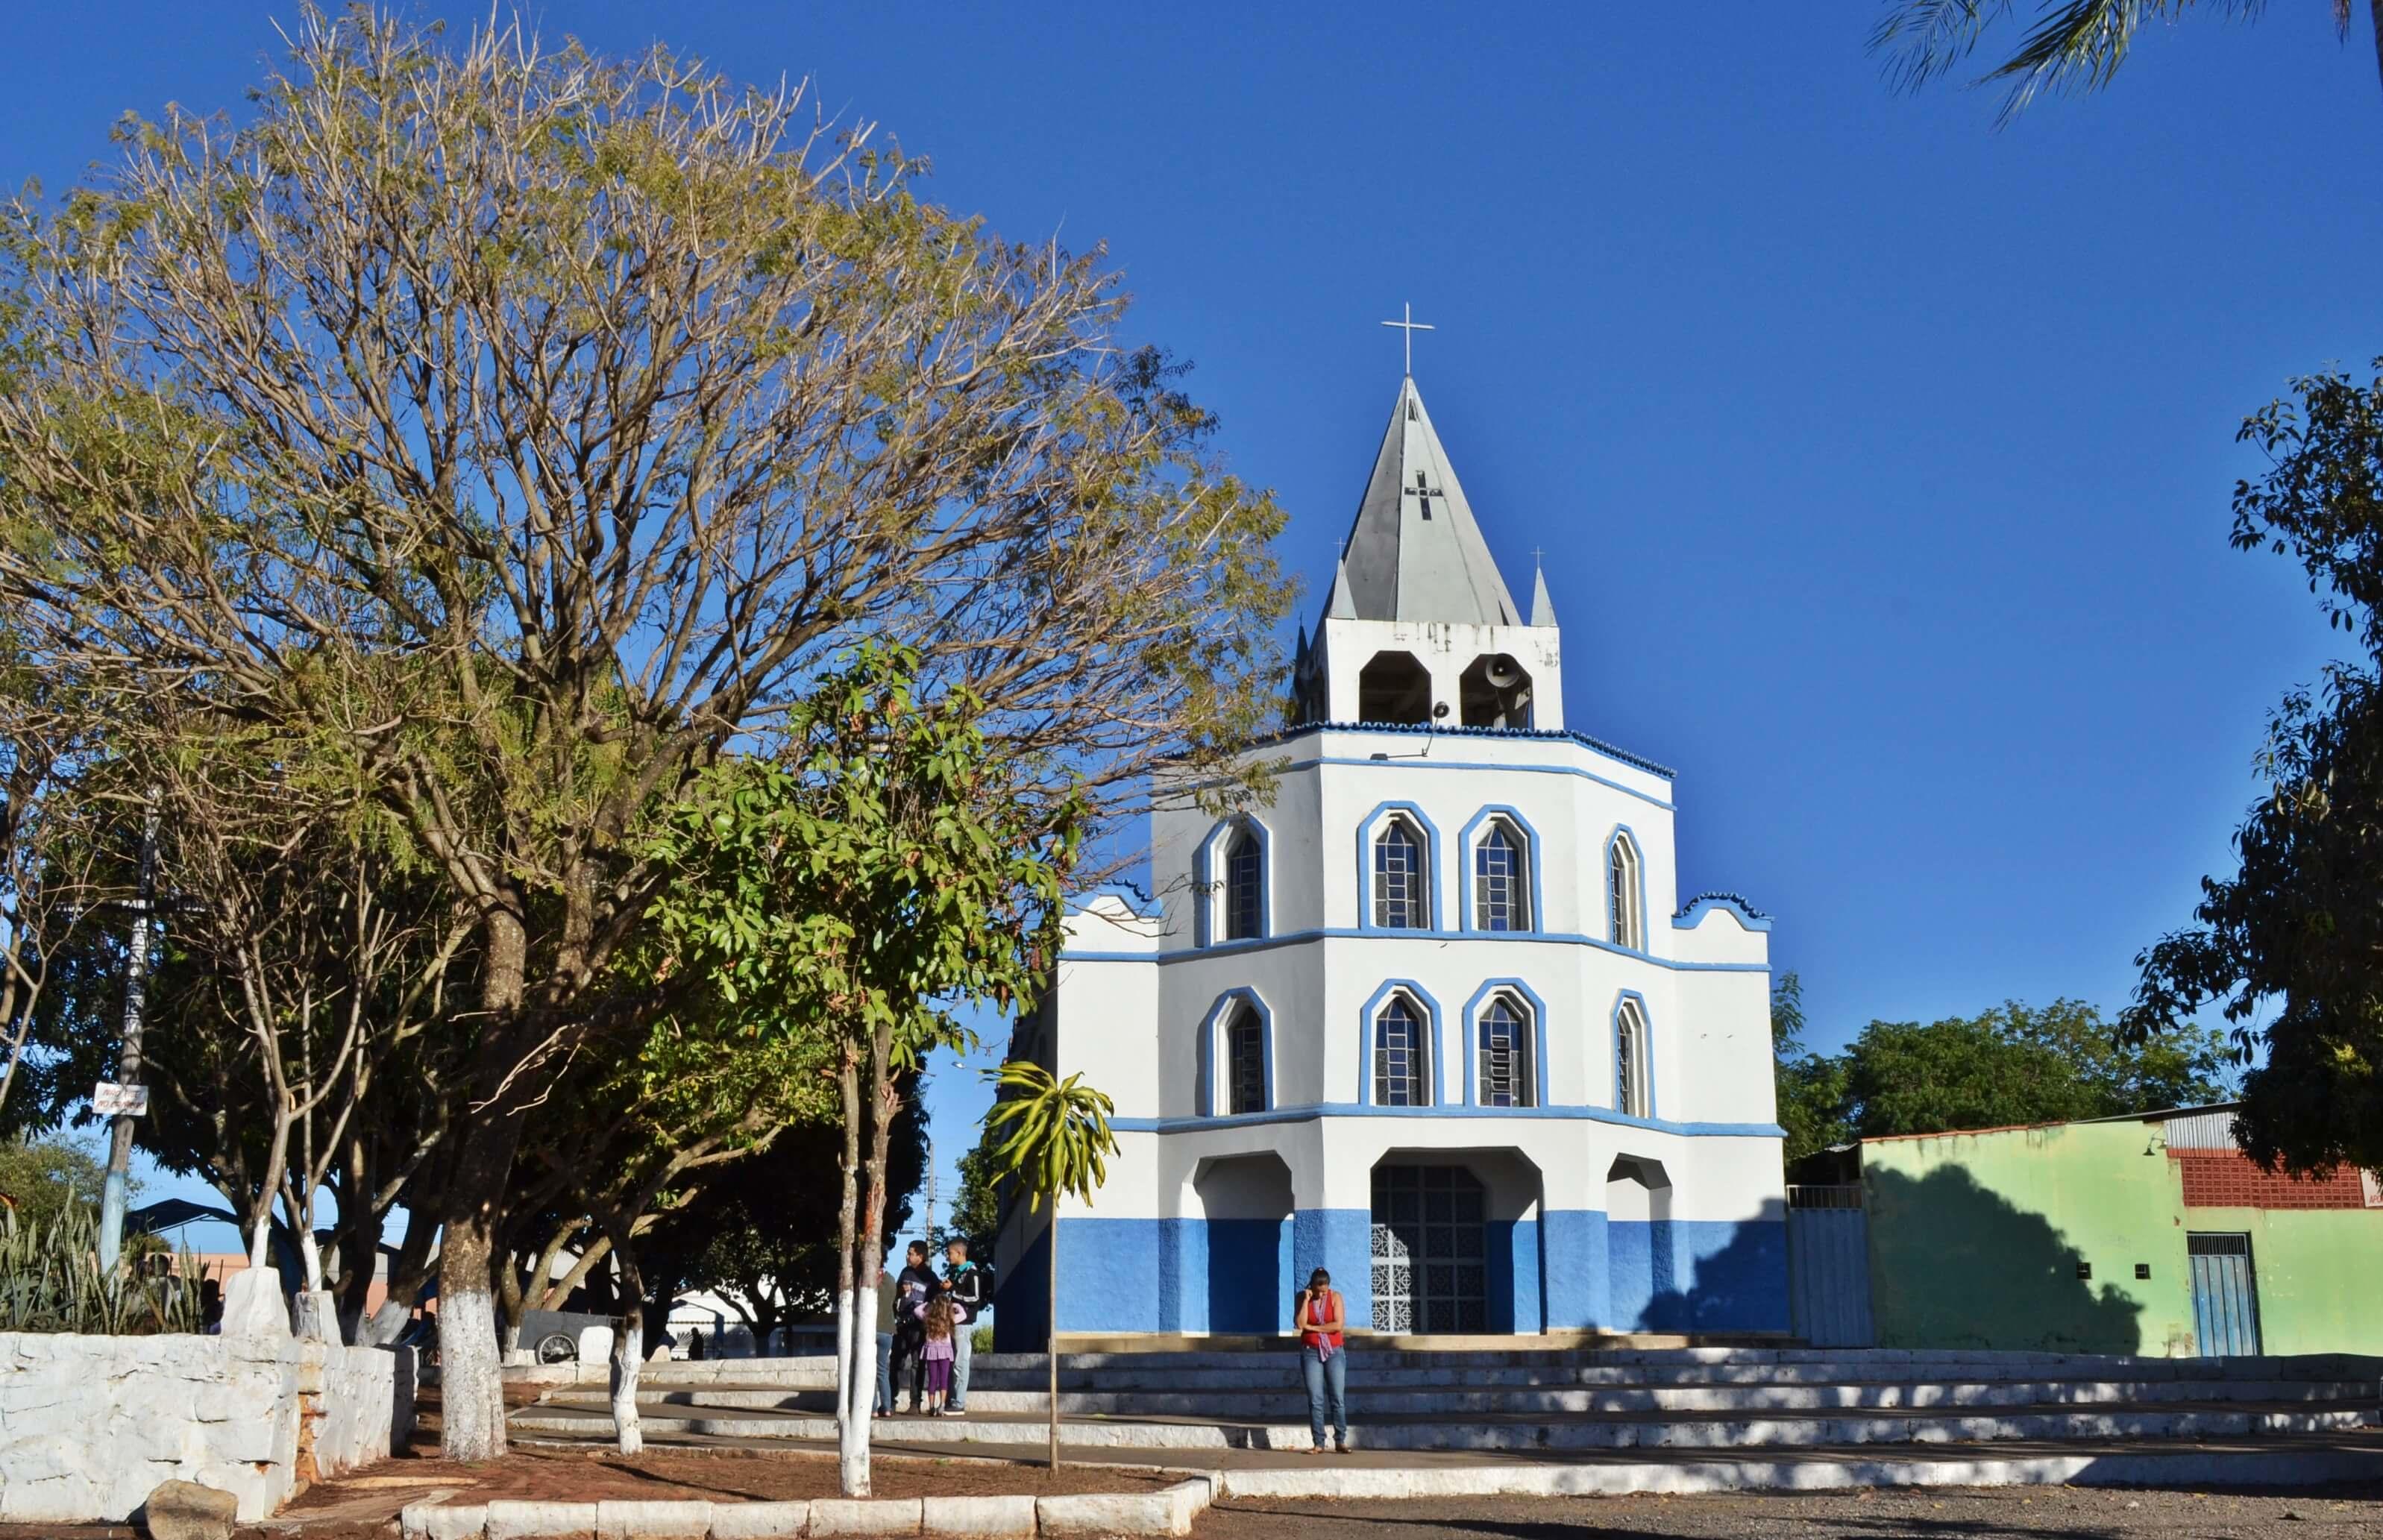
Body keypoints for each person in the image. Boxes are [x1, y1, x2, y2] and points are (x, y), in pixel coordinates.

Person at [1293, 1267, 1348, 1454]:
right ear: (1312, 1286)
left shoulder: (1336, 1297)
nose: (1323, 1294)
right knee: (1315, 1399)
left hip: (1334, 1351)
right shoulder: (1303, 1297)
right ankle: (1319, 1442)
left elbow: (1338, 1325)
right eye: (1319, 1291)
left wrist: (1314, 1328)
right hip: (1310, 1352)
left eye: (1325, 1290)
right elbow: (1300, 1324)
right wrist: (1307, 1301)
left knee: (1337, 1397)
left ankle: (1340, 1440)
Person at [891, 1241, 939, 1412]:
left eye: (911, 1253)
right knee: (896, 1362)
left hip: (919, 1327)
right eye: (908, 1252)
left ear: (921, 1256)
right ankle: (891, 1401)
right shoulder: (905, 1272)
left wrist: (927, 1318)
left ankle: (915, 1402)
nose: (908, 1256)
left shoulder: (931, 1277)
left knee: (917, 1364)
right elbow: (894, 1295)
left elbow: (936, 1302)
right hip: (902, 1324)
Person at [942, 1238, 988, 1415]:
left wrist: (953, 1290)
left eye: (950, 1253)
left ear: (959, 1253)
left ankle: (959, 1401)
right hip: (954, 1322)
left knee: (961, 1362)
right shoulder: (958, 1273)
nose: (948, 1256)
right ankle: (953, 1399)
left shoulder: (972, 1272)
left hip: (964, 1323)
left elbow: (975, 1298)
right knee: (954, 1361)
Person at [919, 1295, 959, 1415]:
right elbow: (963, 1314)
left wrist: (927, 1304)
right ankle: (942, 1404)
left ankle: (931, 1406)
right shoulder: (949, 1319)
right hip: (945, 1351)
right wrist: (954, 1306)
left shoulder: (928, 1318)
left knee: (932, 1379)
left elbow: (917, 1310)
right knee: (944, 1379)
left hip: (931, 1350)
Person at [872, 1268, 897, 1419]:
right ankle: (887, 1407)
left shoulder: (868, 1277)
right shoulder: (891, 1279)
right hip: (888, 1329)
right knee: (882, 1371)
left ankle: (873, 1408)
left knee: (870, 1371)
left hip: (872, 1328)